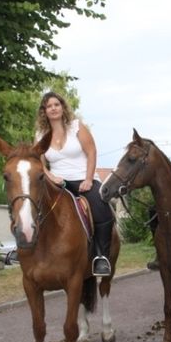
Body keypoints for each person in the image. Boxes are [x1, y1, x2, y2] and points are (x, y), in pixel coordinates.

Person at [34, 91, 114, 277]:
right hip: (56, 182)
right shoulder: (40, 134)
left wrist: (88, 179)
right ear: (44, 111)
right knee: (30, 203)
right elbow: (39, 161)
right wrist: (50, 177)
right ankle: (26, 249)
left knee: (102, 209)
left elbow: (92, 152)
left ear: (62, 107)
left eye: (56, 104)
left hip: (82, 179)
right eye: (49, 106)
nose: (53, 108)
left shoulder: (76, 126)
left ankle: (101, 257)